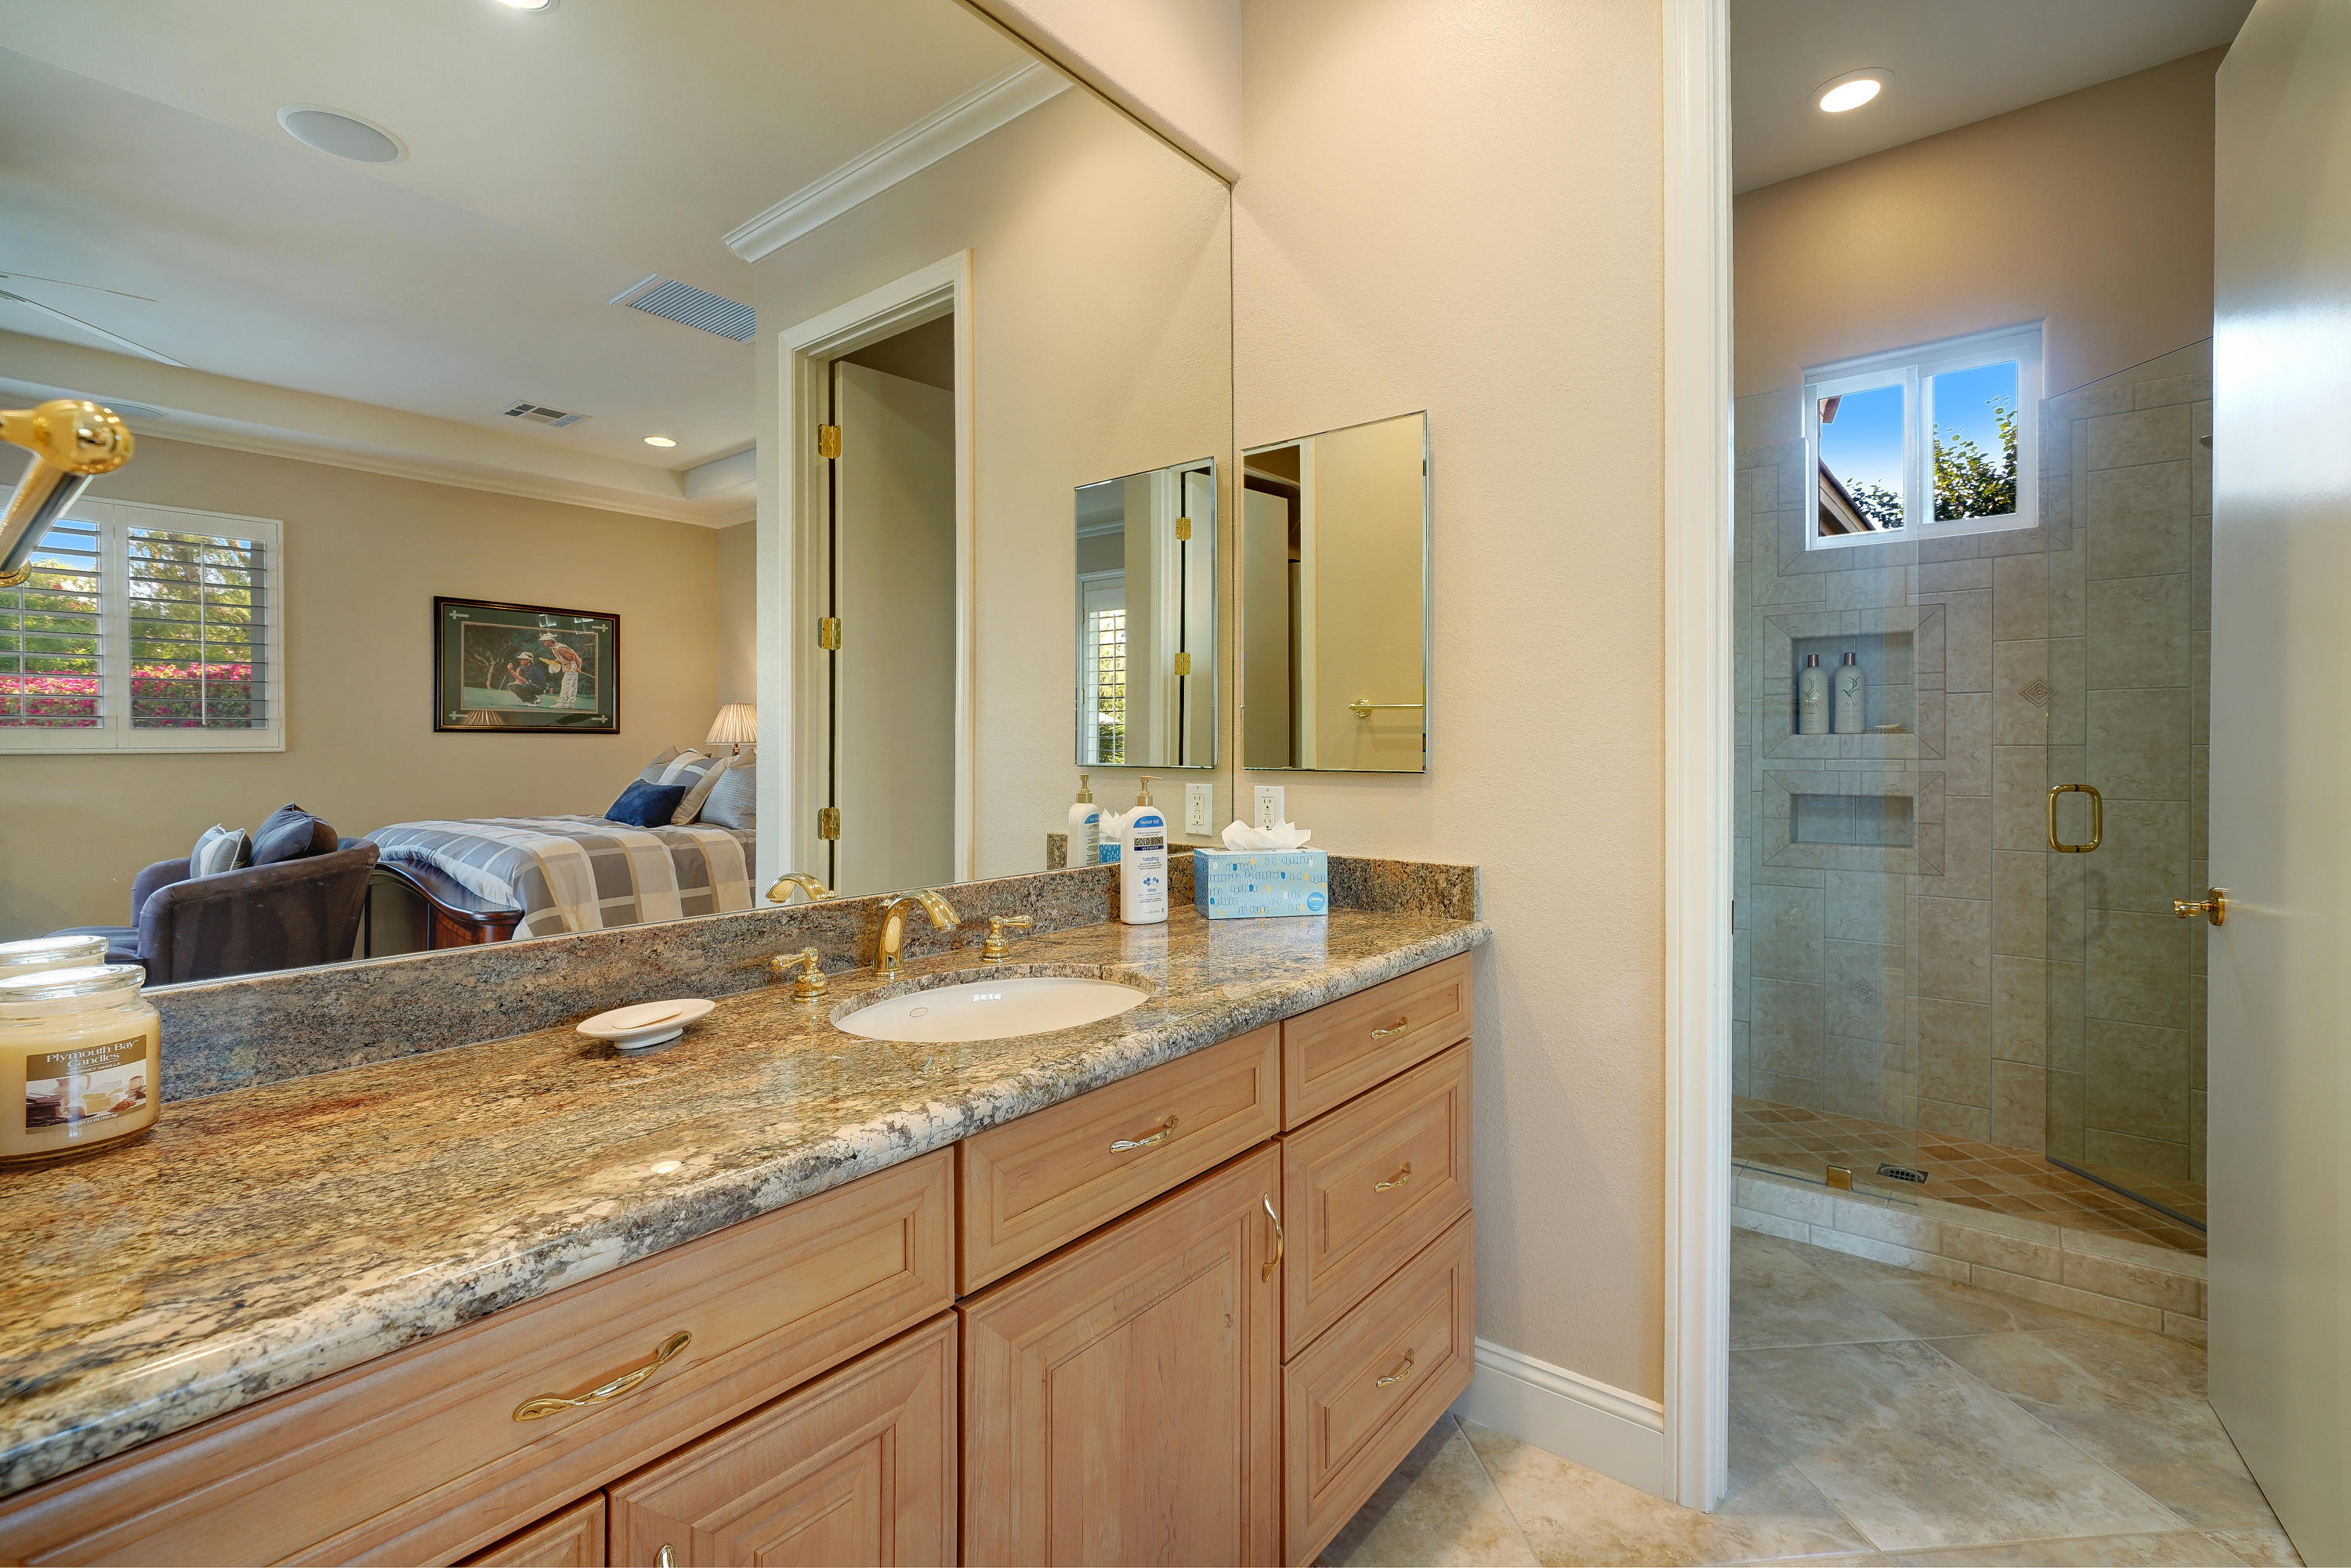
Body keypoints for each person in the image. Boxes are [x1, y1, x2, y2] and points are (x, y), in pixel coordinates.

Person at [538, 632, 585, 709]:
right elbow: (562, 657)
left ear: (550, 641)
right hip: (569, 665)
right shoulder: (554, 648)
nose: (544, 643)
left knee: (565, 684)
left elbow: (574, 656)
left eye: (545, 641)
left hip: (573, 665)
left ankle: (561, 703)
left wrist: (578, 667)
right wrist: (556, 662)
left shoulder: (560, 648)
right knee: (572, 685)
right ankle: (571, 703)